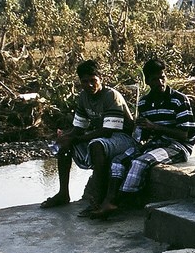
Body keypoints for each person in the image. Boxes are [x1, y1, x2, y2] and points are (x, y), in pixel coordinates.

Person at [92, 59, 195, 218]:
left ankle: (116, 202)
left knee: (139, 162)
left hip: (178, 145)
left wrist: (154, 127)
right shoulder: (144, 103)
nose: (161, 82)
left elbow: (185, 134)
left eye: (163, 77)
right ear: (147, 81)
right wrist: (141, 130)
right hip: (156, 144)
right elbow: (144, 134)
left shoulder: (179, 99)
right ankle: (108, 199)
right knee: (118, 161)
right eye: (155, 79)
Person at [41, 59, 137, 216]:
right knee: (65, 145)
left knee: (96, 145)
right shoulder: (83, 97)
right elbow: (79, 128)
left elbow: (107, 131)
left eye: (93, 81)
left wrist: (77, 139)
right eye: (85, 82)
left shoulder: (111, 95)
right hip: (107, 137)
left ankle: (97, 199)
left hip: (123, 139)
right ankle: (63, 193)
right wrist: (65, 136)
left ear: (101, 79)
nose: (90, 85)